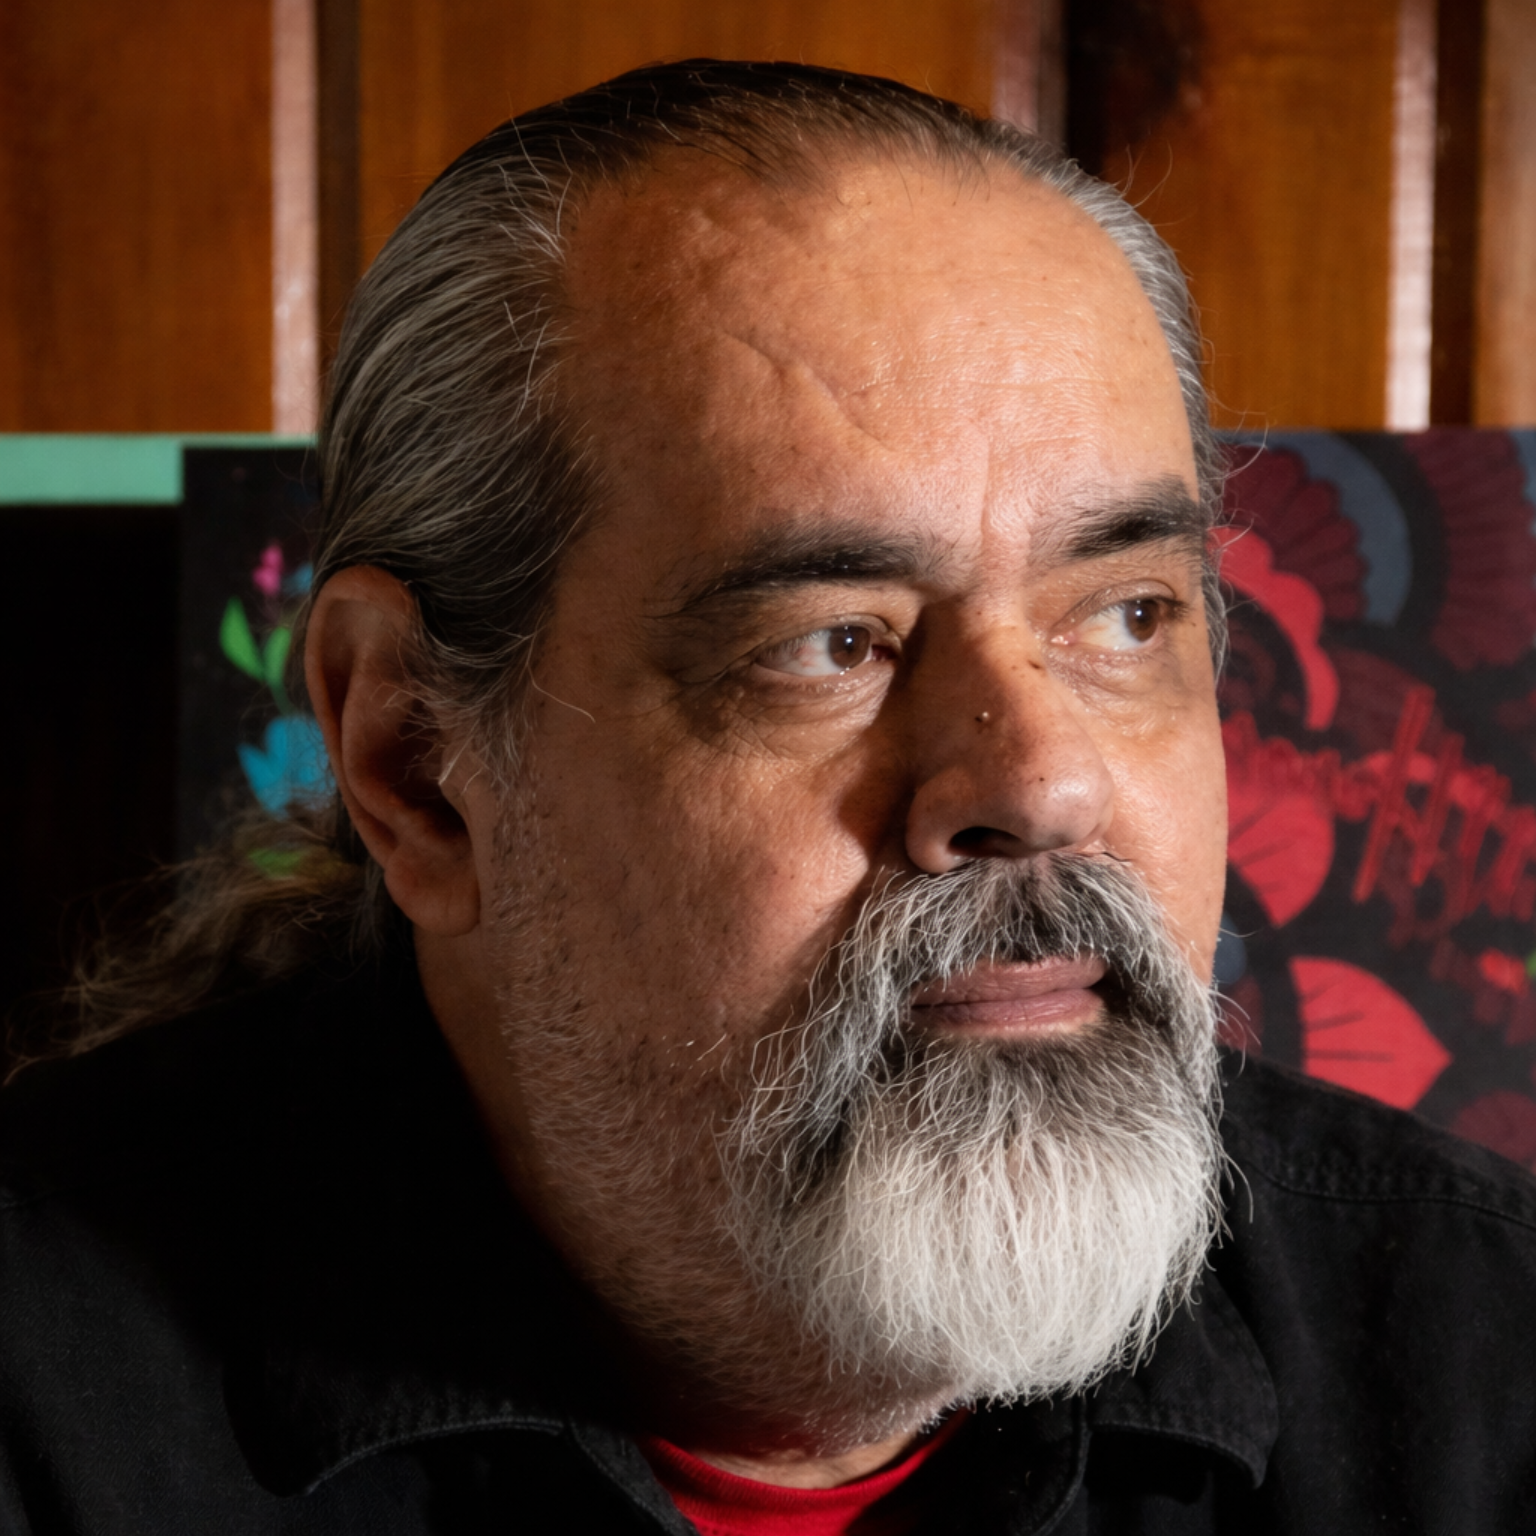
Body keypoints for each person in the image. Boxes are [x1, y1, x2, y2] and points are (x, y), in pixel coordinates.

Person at [2, 60, 1533, 1535]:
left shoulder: (1487, 1369)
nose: (1041, 783)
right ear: (418, 765)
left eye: (1127, 615)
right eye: (830, 644)